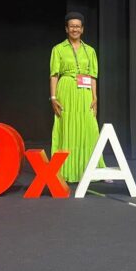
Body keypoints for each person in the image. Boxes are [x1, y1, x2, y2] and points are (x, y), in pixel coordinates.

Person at [49, 12, 105, 183]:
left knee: (89, 128)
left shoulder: (90, 51)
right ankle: (64, 170)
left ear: (82, 29)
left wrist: (95, 97)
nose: (75, 29)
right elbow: (54, 75)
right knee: (67, 127)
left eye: (78, 26)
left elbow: (93, 76)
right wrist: (53, 97)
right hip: (66, 90)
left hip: (85, 93)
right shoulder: (58, 49)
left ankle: (94, 169)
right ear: (67, 29)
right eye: (72, 26)